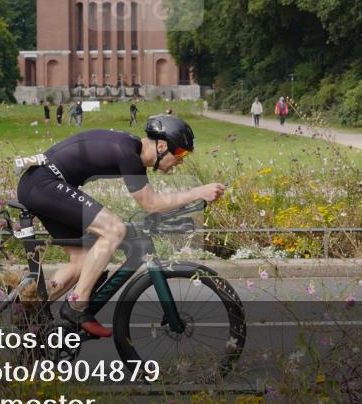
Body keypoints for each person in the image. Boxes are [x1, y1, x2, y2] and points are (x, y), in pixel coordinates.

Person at [16, 115, 226, 337]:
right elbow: (151, 204)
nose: (181, 160)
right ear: (162, 146)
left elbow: (152, 203)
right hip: (43, 184)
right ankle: (77, 306)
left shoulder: (131, 151)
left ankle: (28, 309)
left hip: (42, 183)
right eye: (181, 153)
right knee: (114, 229)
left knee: (83, 262)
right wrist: (198, 192)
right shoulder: (127, 153)